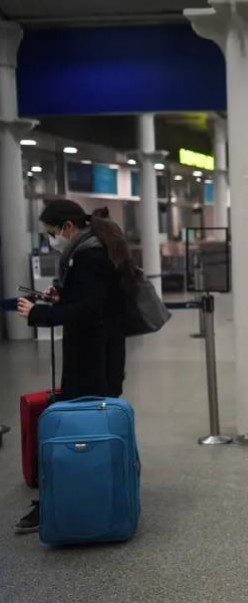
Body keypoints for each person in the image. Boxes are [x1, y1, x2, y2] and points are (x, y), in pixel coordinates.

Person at [14, 199, 133, 534]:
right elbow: (92, 301)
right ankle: (91, 491)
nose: (52, 239)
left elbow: (88, 310)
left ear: (67, 227)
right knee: (93, 427)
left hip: (91, 361)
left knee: (82, 430)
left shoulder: (89, 255)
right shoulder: (94, 248)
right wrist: (60, 297)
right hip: (98, 356)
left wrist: (39, 313)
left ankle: (73, 496)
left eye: (52, 232)